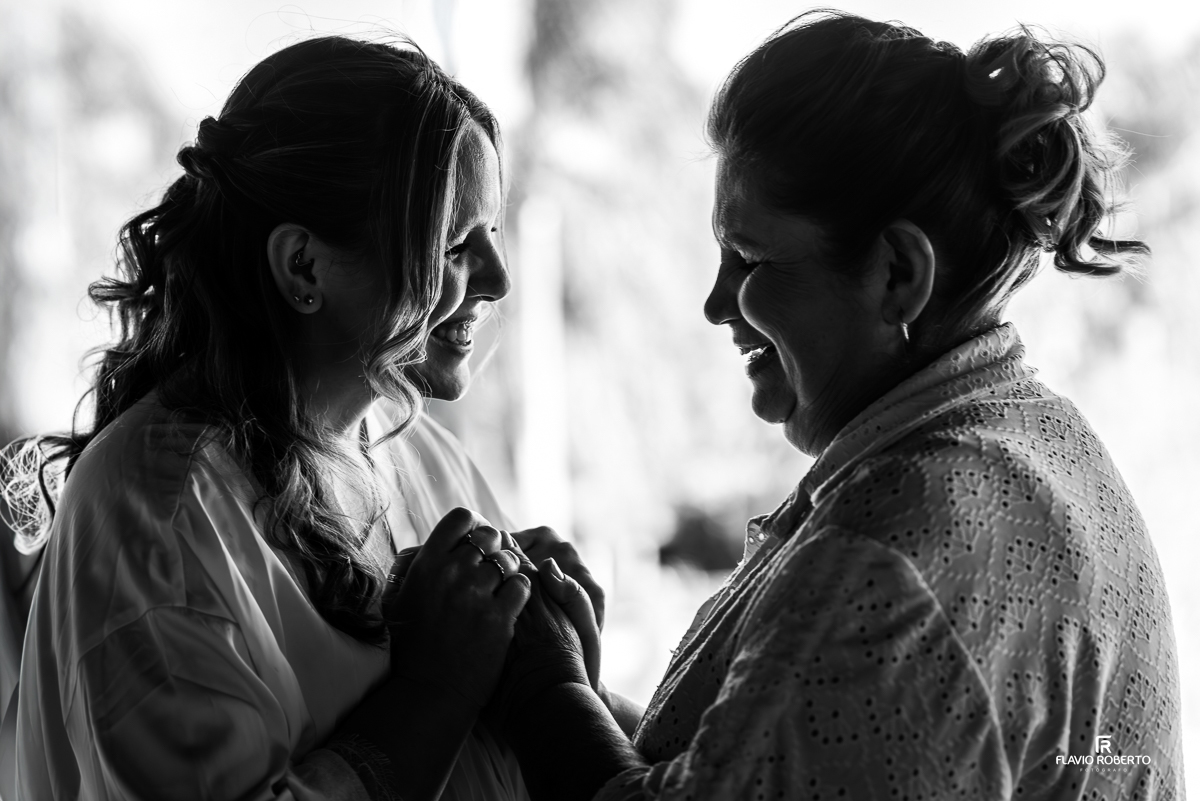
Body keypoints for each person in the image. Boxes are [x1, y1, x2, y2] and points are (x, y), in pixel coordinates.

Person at [488, 11, 1185, 801]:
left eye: (748, 259)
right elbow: (788, 761)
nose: (717, 305)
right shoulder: (1041, 445)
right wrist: (582, 688)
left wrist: (543, 690)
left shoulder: (895, 546)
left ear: (895, 273)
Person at [1, 35, 595, 801]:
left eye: (493, 232)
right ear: (304, 266)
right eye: (452, 245)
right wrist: (432, 690)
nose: (499, 277)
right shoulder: (156, 517)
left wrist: (563, 677)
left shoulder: (427, 459)